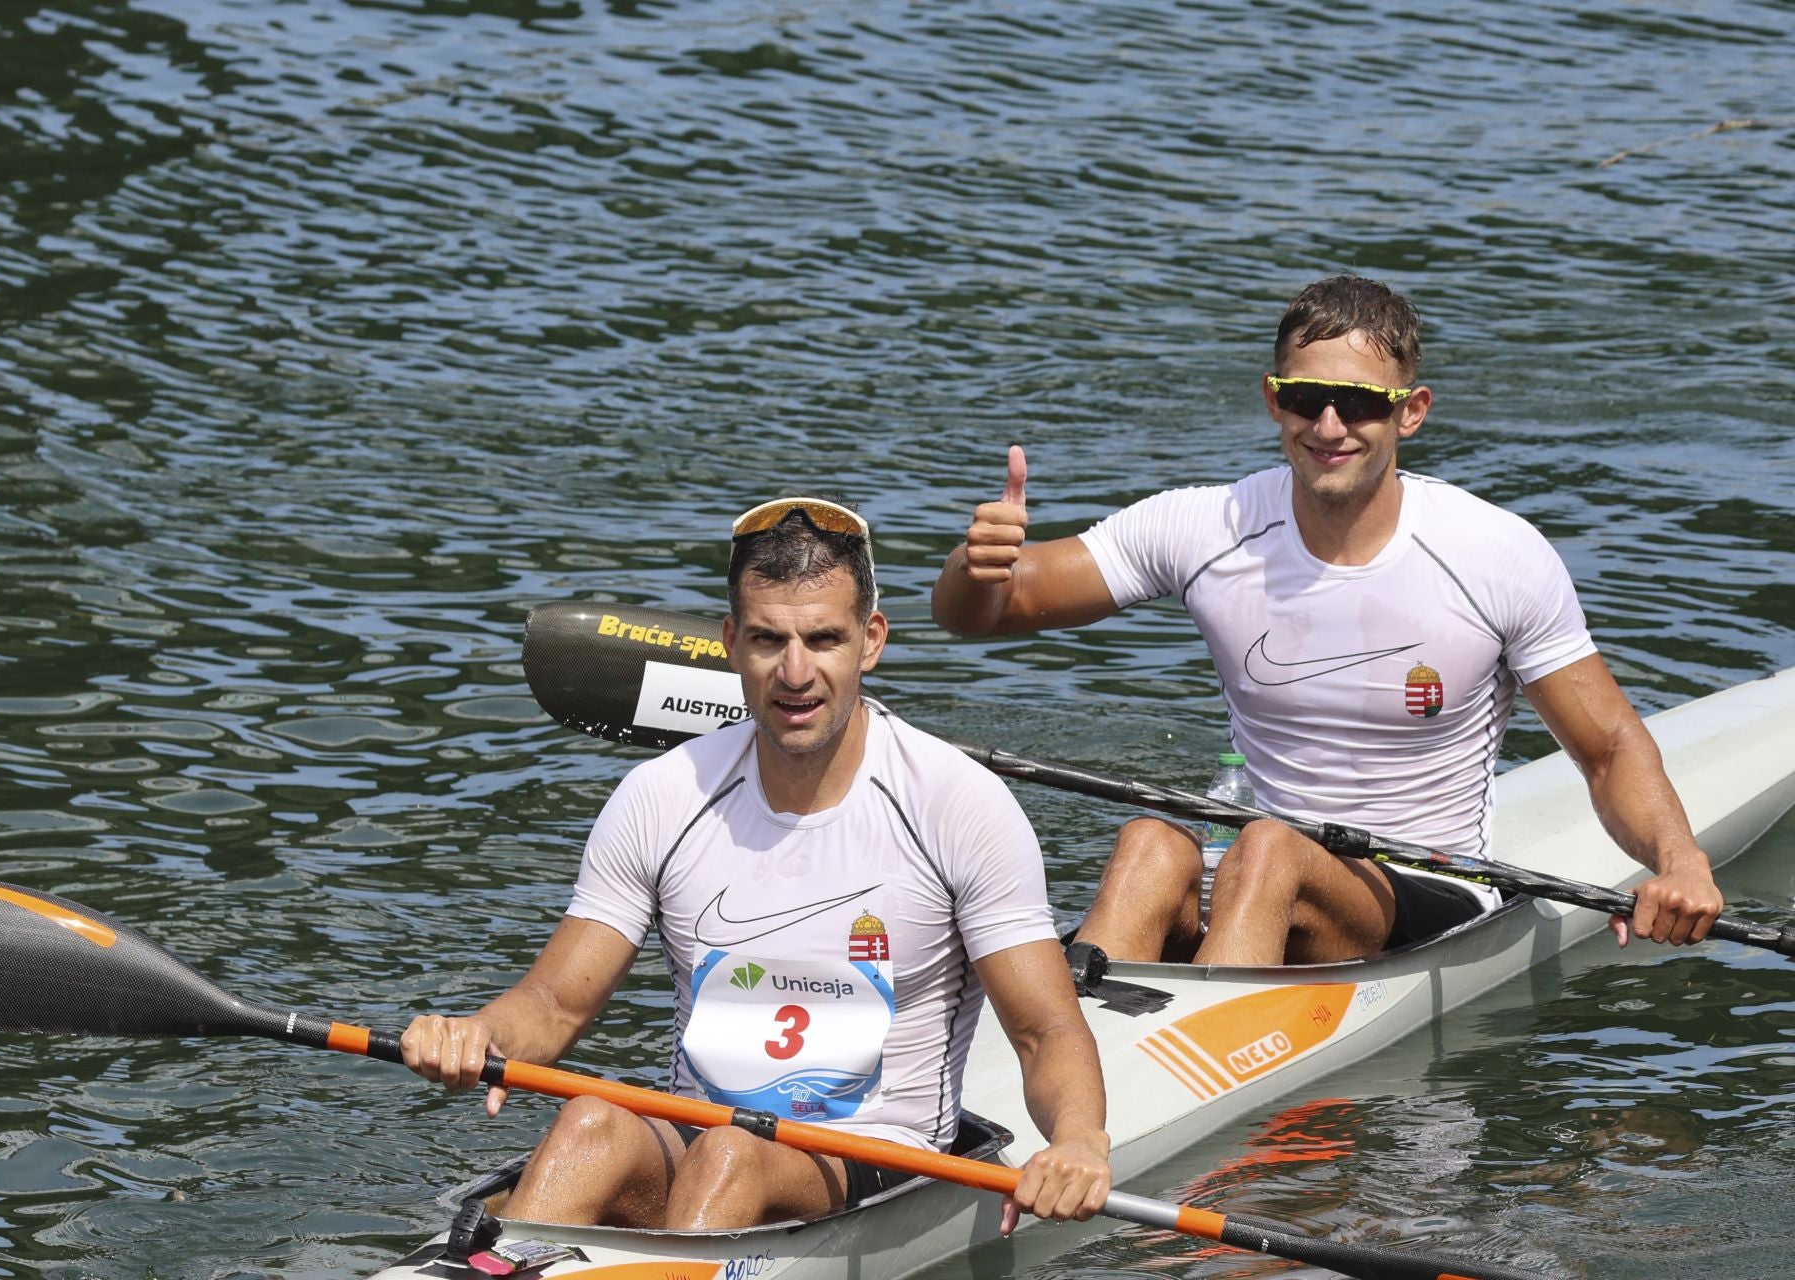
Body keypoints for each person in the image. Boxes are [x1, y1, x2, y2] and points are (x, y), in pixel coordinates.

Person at [930, 274, 1725, 968]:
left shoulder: (1494, 554)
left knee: (1271, 848)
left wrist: (1680, 860)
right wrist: (978, 566)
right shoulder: (1206, 525)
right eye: (1307, 399)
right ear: (1274, 399)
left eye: (1362, 404)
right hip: (1255, 866)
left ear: (1411, 412)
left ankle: (1200, 1054)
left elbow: (1606, 748)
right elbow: (984, 615)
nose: (1330, 427)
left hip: (1430, 887)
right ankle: (1072, 1043)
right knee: (1150, 843)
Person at [403, 496, 1112, 1233]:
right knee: (589, 1122)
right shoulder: (664, 795)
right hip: (699, 1137)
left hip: (878, 1157)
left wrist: (1079, 1139)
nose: (795, 673)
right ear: (731, 642)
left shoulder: (957, 805)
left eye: (823, 639)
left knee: (731, 1156)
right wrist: (477, 1034)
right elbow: (554, 1005)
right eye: (769, 640)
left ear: (870, 641)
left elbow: (1044, 1031)